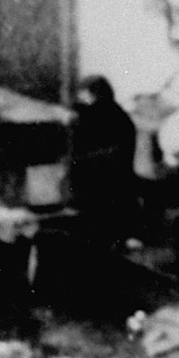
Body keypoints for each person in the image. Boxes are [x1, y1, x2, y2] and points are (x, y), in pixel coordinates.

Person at [70, 74, 136, 242]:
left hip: (98, 183)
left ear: (92, 94)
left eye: (83, 95)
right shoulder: (121, 115)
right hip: (120, 183)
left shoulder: (92, 115)